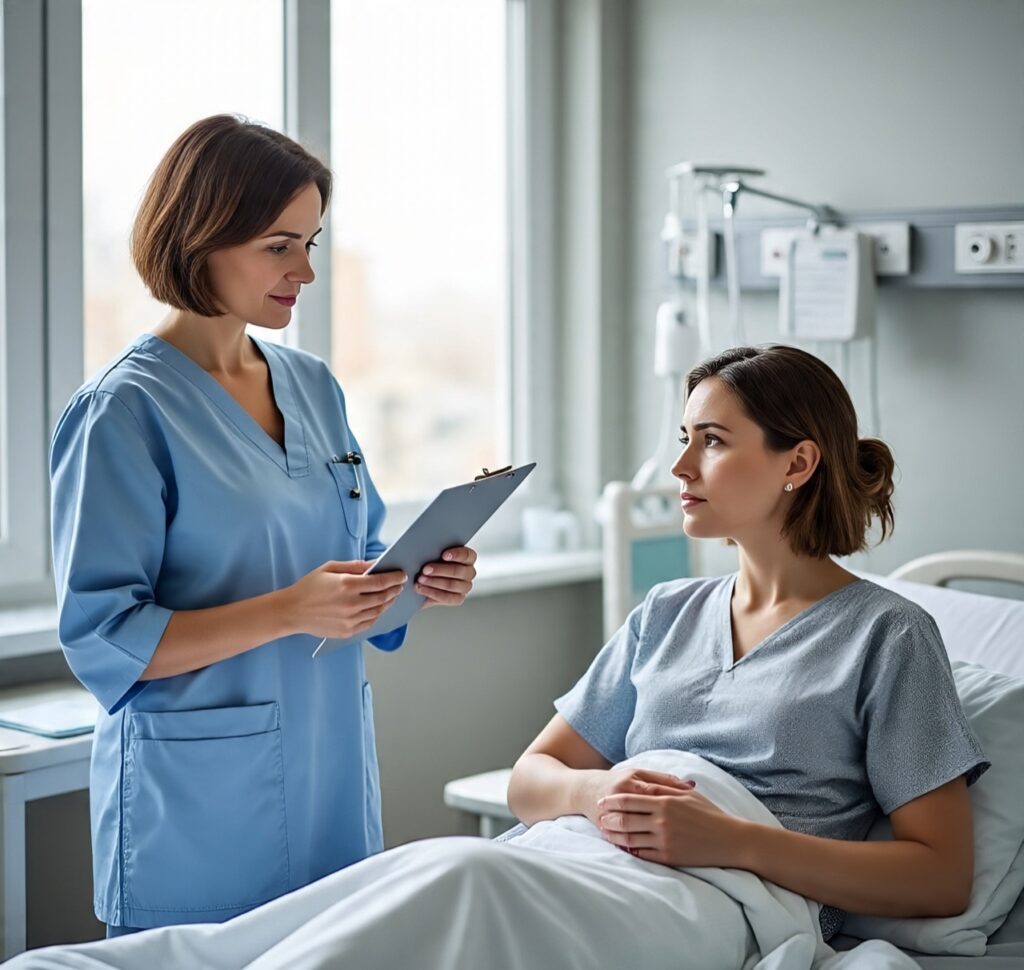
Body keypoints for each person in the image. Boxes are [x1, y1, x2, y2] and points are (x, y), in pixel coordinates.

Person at [49, 114, 478, 936]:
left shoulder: (314, 386)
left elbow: (360, 567)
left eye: (311, 242)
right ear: (202, 236)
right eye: (280, 245)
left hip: (331, 787)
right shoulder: (123, 412)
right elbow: (102, 636)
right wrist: (289, 609)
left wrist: (422, 579)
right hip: (198, 811)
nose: (306, 271)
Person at [507, 344, 988, 940]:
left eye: (711, 440)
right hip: (590, 861)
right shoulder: (664, 614)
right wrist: (595, 789)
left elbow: (940, 878)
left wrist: (732, 840)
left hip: (712, 910)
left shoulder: (887, 636)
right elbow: (528, 780)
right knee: (445, 881)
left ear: (797, 464)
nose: (680, 466)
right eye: (685, 437)